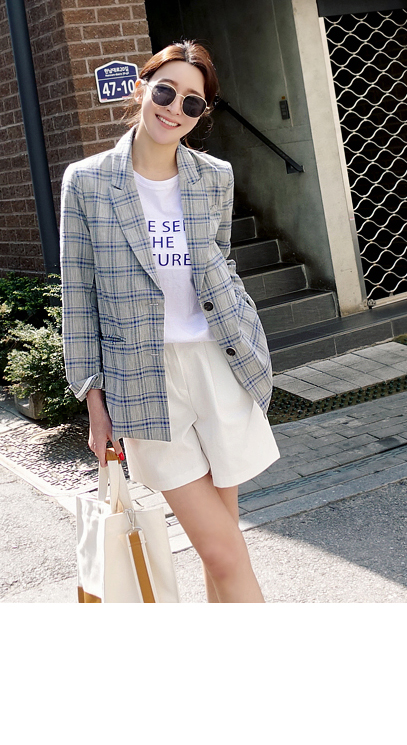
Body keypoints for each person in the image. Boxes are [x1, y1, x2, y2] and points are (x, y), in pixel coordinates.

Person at [60, 40, 279, 603]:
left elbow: (221, 262)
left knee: (221, 550)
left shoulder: (215, 177)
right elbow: (78, 296)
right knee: (225, 552)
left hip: (220, 366)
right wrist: (93, 399)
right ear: (141, 89)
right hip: (144, 382)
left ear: (201, 114)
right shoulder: (87, 182)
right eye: (165, 91)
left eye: (192, 103)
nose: (174, 109)